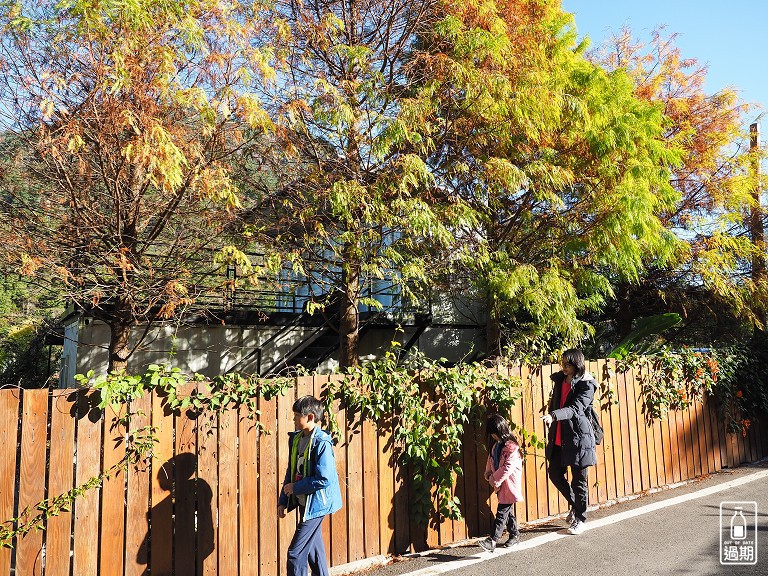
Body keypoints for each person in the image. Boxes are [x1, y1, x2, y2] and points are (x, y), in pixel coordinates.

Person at [278, 395, 343, 576]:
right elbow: (291, 471)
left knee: (295, 553)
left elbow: (324, 478)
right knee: (314, 552)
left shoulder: (321, 442)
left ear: (310, 417)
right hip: (303, 503)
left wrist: (295, 488)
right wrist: (283, 500)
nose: (293, 419)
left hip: (316, 505)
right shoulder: (296, 439)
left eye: (297, 415)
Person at [541, 348, 597, 536]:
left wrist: (554, 416)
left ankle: (580, 519)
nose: (564, 367)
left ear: (577, 364)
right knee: (555, 474)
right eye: (562, 363)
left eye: (568, 364)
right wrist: (553, 417)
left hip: (579, 437)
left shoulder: (587, 384)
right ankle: (575, 506)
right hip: (559, 435)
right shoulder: (559, 380)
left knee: (579, 481)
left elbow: (576, 408)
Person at [478, 413, 524, 552]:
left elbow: (507, 468)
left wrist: (493, 479)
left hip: (509, 485)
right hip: (500, 485)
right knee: (507, 513)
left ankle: (492, 540)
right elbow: (490, 460)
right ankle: (515, 535)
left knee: (502, 513)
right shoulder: (497, 446)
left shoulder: (512, 449)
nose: (493, 436)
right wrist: (488, 472)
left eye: (494, 434)